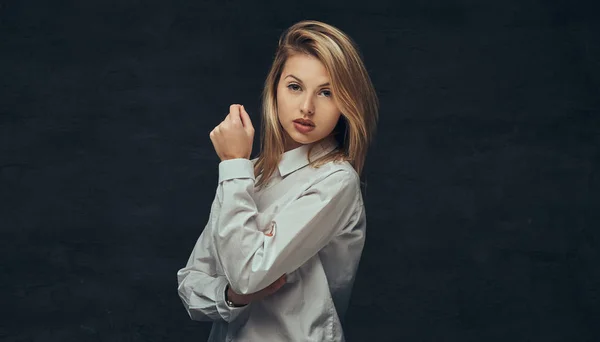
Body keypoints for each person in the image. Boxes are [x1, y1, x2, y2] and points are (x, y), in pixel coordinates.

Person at [176, 20, 379, 341]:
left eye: (327, 92)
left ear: (346, 104)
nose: (307, 107)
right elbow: (191, 287)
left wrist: (233, 165)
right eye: (295, 86)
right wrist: (233, 297)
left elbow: (246, 275)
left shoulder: (335, 181)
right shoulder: (248, 173)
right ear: (275, 89)